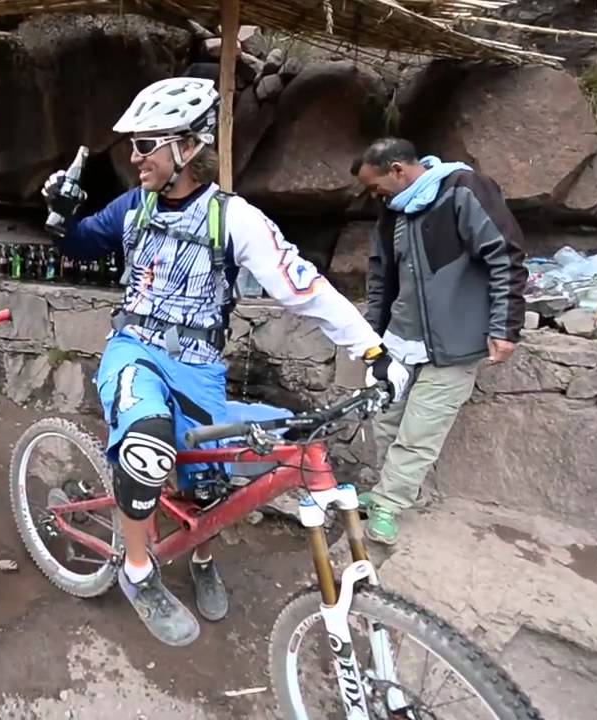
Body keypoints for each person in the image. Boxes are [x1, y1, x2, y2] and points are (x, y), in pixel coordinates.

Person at [40, 77, 410, 647]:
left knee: (207, 485)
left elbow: (301, 287)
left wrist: (371, 349)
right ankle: (138, 573)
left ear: (186, 147)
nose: (132, 157)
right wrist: (63, 218)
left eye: (145, 145)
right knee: (146, 441)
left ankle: (201, 558)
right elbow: (84, 243)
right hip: (135, 348)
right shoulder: (132, 206)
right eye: (132, 146)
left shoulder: (233, 218)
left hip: (199, 364)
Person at [350, 137, 527, 546]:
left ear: (398, 170)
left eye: (375, 186)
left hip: (453, 344)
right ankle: (385, 491)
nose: (372, 195)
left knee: (420, 431)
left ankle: (389, 505)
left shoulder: (463, 190)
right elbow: (381, 274)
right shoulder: (391, 210)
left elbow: (505, 257)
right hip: (398, 339)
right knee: (386, 419)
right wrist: (372, 333)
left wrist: (504, 327)